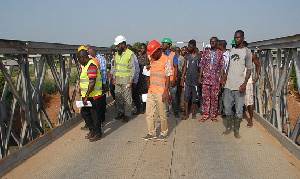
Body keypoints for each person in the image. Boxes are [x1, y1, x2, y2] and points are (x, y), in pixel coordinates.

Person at [221, 30, 252, 139]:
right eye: (235, 37)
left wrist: (244, 83)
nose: (236, 39)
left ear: (243, 38)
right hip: (228, 85)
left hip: (239, 86)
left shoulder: (247, 52)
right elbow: (229, 66)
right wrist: (224, 78)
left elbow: (249, 69)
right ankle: (229, 127)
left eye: (238, 37)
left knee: (239, 110)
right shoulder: (232, 50)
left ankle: (236, 130)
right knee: (227, 108)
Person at [142, 40, 172, 141]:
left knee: (162, 114)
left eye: (153, 53)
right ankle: (152, 133)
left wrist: (165, 92)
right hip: (151, 91)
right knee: (149, 114)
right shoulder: (153, 59)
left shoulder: (166, 60)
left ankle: (164, 132)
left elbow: (168, 77)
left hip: (160, 92)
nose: (152, 55)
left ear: (158, 50)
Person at [78, 46, 105, 142]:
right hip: (88, 96)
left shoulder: (91, 65)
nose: (79, 62)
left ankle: (98, 133)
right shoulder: (87, 65)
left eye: (79, 59)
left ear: (82, 58)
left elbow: (92, 82)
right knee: (85, 113)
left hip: (93, 96)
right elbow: (85, 81)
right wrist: (81, 90)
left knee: (95, 115)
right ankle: (92, 130)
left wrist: (86, 97)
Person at [199, 37, 225, 122]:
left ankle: (213, 115)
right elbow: (202, 65)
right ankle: (205, 114)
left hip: (215, 79)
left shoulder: (220, 53)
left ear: (217, 43)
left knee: (214, 98)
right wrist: (200, 77)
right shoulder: (205, 53)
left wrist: (222, 79)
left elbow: (222, 67)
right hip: (206, 79)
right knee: (205, 97)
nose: (213, 43)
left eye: (214, 42)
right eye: (211, 42)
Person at [112, 35, 135, 123]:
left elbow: (132, 68)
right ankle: (121, 112)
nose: (117, 47)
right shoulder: (117, 54)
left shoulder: (130, 54)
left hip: (126, 79)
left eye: (118, 45)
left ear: (123, 44)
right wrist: (114, 77)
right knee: (118, 97)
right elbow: (115, 66)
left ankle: (127, 114)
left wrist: (130, 80)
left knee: (127, 97)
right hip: (118, 79)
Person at [180, 40, 201, 120]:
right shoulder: (187, 56)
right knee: (186, 97)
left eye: (190, 47)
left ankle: (193, 113)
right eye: (188, 46)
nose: (189, 48)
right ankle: (186, 114)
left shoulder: (199, 56)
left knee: (194, 98)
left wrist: (200, 78)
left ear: (194, 47)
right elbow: (185, 67)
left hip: (195, 80)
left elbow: (200, 68)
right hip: (188, 80)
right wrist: (182, 77)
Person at [243, 41, 261, 127]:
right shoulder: (237, 55)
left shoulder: (251, 55)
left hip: (248, 81)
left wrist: (257, 76)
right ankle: (241, 114)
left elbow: (258, 65)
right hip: (238, 80)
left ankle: (250, 119)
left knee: (249, 101)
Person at [161, 38, 179, 118]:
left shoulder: (173, 54)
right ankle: (167, 111)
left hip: (171, 79)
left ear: (168, 45)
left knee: (174, 96)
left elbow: (175, 67)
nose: (162, 45)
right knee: (166, 96)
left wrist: (174, 78)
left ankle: (175, 111)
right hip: (164, 79)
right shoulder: (161, 54)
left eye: (164, 43)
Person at [127, 44, 141, 115]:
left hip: (133, 80)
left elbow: (137, 70)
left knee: (135, 95)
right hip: (128, 79)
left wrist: (135, 81)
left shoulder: (133, 57)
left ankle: (139, 109)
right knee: (131, 95)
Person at [217, 40, 230, 115]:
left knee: (226, 95)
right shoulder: (219, 54)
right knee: (219, 94)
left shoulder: (228, 55)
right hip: (218, 77)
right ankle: (220, 109)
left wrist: (223, 78)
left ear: (221, 46)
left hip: (226, 77)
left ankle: (225, 111)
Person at [138, 43, 151, 114]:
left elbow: (153, 63)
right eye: (141, 48)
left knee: (147, 92)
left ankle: (146, 107)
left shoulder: (148, 56)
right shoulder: (139, 57)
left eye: (143, 48)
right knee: (143, 93)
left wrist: (150, 65)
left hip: (147, 77)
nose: (142, 49)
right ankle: (143, 107)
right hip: (140, 77)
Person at [176, 47, 185, 112]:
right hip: (175, 77)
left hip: (180, 76)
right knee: (176, 93)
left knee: (181, 92)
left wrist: (182, 77)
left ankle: (181, 106)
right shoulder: (174, 58)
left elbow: (183, 68)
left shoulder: (181, 58)